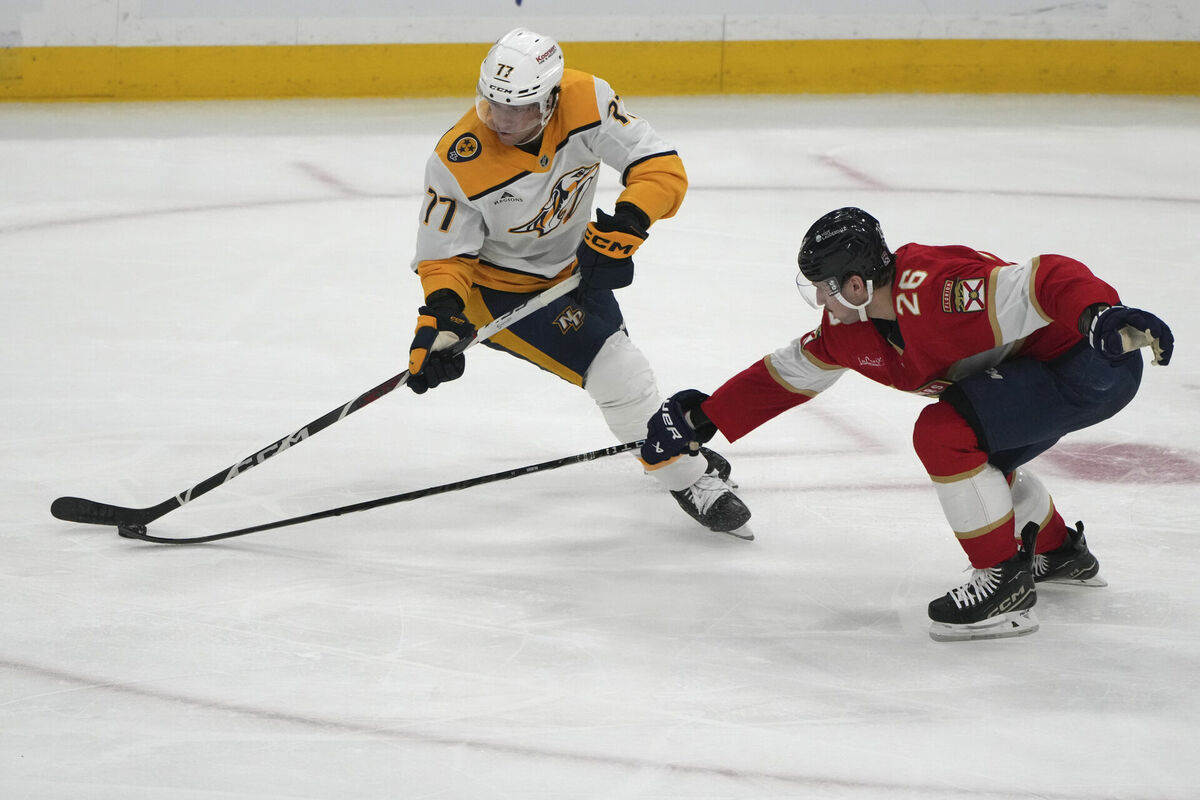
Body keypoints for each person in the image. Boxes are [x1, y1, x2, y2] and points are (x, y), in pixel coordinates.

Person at [641, 207, 1174, 640]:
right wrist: (704, 416)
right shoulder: (854, 326)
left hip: (1089, 363)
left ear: (854, 284)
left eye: (823, 287)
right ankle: (1057, 552)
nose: (820, 302)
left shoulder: (940, 293)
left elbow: (1047, 277)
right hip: (1040, 374)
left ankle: (1004, 585)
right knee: (977, 460)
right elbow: (793, 369)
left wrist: (1099, 314)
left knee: (946, 435)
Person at [405, 28, 750, 536]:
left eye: (518, 108)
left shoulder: (587, 99)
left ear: (550, 99)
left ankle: (661, 439)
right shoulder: (457, 161)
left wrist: (631, 221)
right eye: (492, 104)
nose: (500, 120)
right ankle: (685, 476)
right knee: (620, 373)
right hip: (499, 295)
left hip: (574, 270)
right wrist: (442, 314)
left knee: (623, 373)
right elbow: (445, 259)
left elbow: (660, 166)